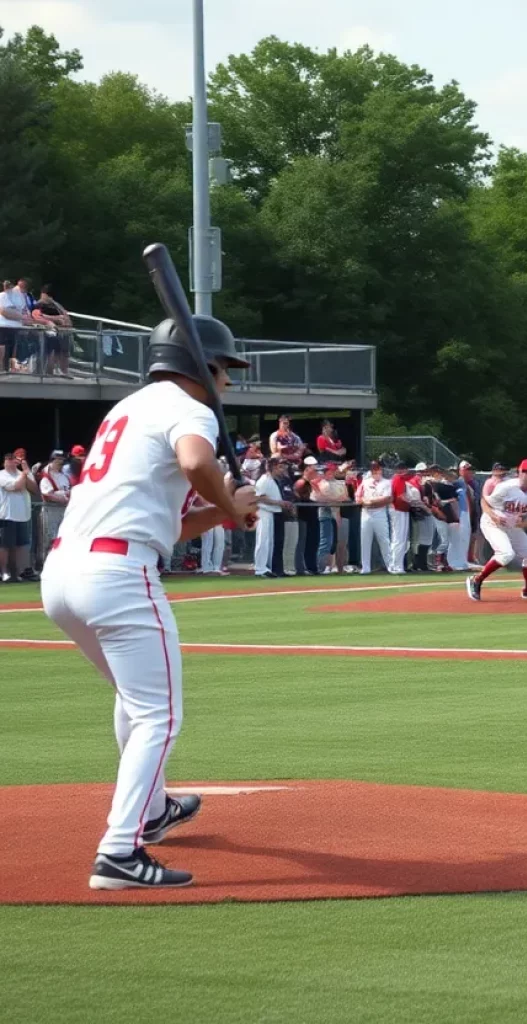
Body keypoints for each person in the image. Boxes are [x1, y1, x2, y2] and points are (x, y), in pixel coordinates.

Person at [39, 314, 257, 890]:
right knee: (159, 714)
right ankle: (119, 851)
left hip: (65, 573)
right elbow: (194, 462)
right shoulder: (192, 410)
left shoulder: (130, 408)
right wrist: (234, 506)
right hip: (117, 575)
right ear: (198, 368)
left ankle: (154, 810)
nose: (226, 383)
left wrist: (227, 509)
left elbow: (168, 524)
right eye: (221, 370)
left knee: (137, 702)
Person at [466, 458, 527, 602]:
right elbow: (484, 501)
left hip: (512, 526)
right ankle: (476, 580)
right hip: (492, 523)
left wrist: (522, 523)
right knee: (506, 554)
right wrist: (494, 516)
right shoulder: (507, 487)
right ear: (520, 473)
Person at [1, 450, 39, 581]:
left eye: (14, 458)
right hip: (7, 515)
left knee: (22, 545)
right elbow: (15, 486)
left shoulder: (23, 473)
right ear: (4, 462)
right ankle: (4, 572)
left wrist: (25, 472)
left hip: (23, 515)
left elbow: (34, 489)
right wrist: (24, 473)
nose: (12, 461)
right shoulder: (2, 475)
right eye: (8, 459)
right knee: (4, 546)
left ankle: (20, 572)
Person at [254, 458, 290, 577]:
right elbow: (259, 497)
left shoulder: (273, 480)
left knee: (269, 542)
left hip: (271, 512)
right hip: (263, 511)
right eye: (280, 467)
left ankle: (266, 567)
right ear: (274, 467)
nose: (282, 470)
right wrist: (278, 503)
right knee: (262, 540)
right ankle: (259, 568)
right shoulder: (264, 479)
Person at [356, 460, 391, 573]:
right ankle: (365, 568)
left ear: (381, 469)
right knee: (365, 541)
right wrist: (365, 502)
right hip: (366, 514)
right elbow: (358, 497)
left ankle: (390, 566)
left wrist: (371, 502)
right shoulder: (365, 482)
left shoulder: (387, 483)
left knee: (384, 540)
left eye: (378, 469)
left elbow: (386, 499)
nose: (376, 471)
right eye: (374, 469)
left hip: (380, 513)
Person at [38, 450, 72, 554]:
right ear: (52, 460)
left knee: (63, 538)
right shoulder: (46, 475)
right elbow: (48, 494)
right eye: (58, 460)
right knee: (49, 539)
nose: (60, 463)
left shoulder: (64, 476)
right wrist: (64, 498)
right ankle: (45, 563)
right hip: (50, 510)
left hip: (63, 510)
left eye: (62, 461)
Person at [388, 461, 412, 574]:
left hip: (402, 510)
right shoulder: (398, 479)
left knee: (401, 539)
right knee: (398, 539)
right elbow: (400, 496)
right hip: (398, 509)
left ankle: (397, 565)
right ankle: (394, 565)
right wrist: (413, 502)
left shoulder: (400, 479)